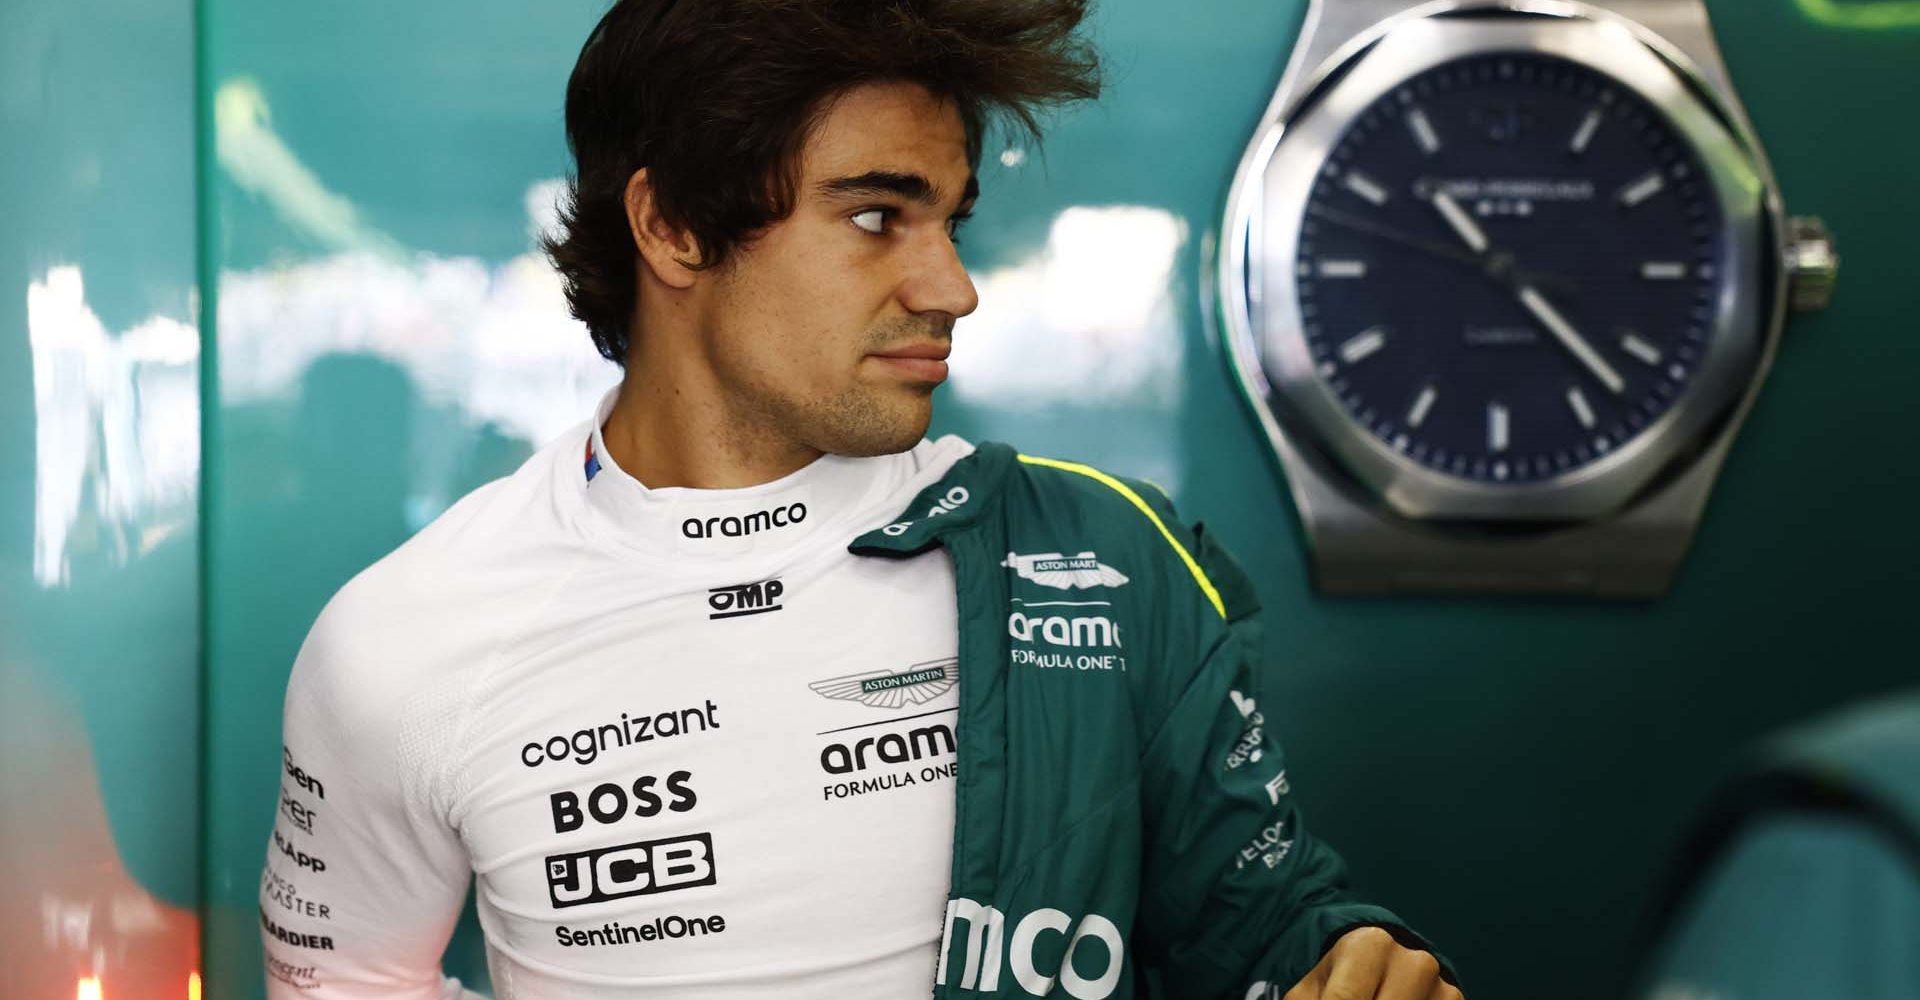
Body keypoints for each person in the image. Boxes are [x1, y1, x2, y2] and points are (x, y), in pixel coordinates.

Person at [259, 1, 1464, 997]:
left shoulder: (1104, 557)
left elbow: (1266, 929)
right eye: (877, 215)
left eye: (949, 222)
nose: (951, 286)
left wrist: (1360, 965)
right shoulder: (403, 640)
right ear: (672, 225)